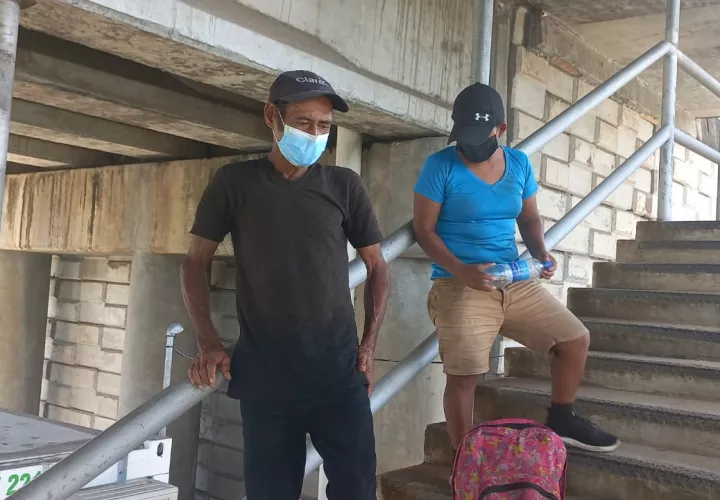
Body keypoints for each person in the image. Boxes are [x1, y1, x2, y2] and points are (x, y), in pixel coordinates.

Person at [181, 70, 390, 500]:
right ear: (271, 117)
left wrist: (369, 346)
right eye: (303, 122)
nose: (314, 134)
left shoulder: (344, 186)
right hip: (266, 382)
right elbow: (193, 263)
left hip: (339, 376)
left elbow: (377, 267)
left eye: (324, 126)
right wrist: (208, 341)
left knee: (357, 491)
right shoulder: (235, 183)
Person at [413, 83, 620, 454]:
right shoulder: (440, 166)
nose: (470, 145)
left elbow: (529, 218)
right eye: (464, 135)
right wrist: (461, 271)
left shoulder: (519, 164)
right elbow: (423, 231)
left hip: (512, 279)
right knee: (465, 374)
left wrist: (541, 253)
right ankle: (465, 461)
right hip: (458, 283)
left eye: (480, 135)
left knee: (575, 340)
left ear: (501, 129)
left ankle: (562, 418)